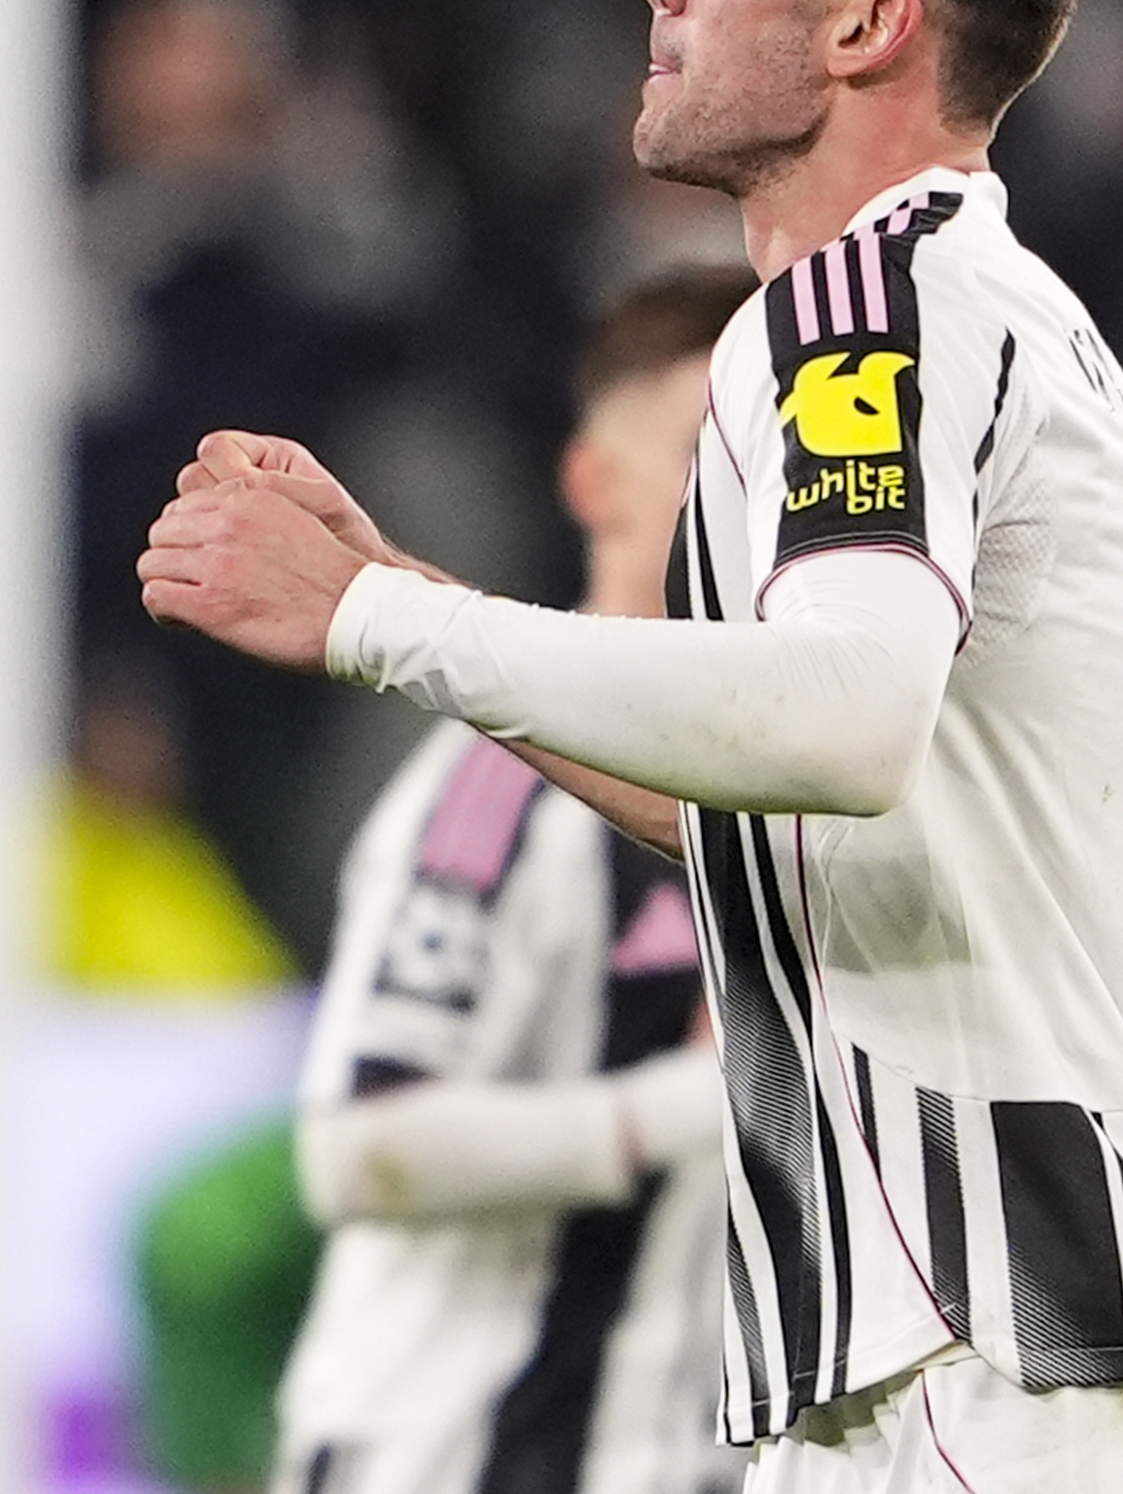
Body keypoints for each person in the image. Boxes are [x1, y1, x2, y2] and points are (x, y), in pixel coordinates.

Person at [139, 0, 1123, 1492]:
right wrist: (424, 604)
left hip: (999, 1344)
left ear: (868, 27)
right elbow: (819, 818)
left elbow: (838, 719)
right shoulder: (944, 306)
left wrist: (378, 622)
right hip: (975, 1353)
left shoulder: (866, 305)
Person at [269, 265, 757, 1494]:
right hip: (453, 1455)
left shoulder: (803, 793)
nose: (751, 492)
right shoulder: (495, 787)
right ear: (595, 481)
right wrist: (680, 1109)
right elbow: (359, 1145)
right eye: (710, 444)